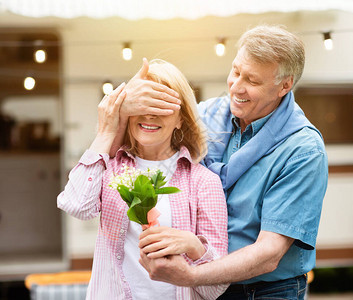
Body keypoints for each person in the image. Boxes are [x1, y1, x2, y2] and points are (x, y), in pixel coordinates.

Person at [113, 25, 329, 299]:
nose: (236, 86)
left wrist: (191, 276)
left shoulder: (303, 151)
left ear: (284, 85)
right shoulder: (205, 116)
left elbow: (269, 253)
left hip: (265, 290)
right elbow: (143, 148)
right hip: (204, 287)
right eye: (236, 71)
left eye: (252, 80)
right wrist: (125, 107)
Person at [57, 59, 229, 300]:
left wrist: (193, 245)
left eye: (162, 105)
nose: (149, 114)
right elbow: (75, 205)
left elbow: (215, 289)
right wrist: (108, 128)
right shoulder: (111, 168)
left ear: (181, 119)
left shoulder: (203, 182)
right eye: (142, 104)